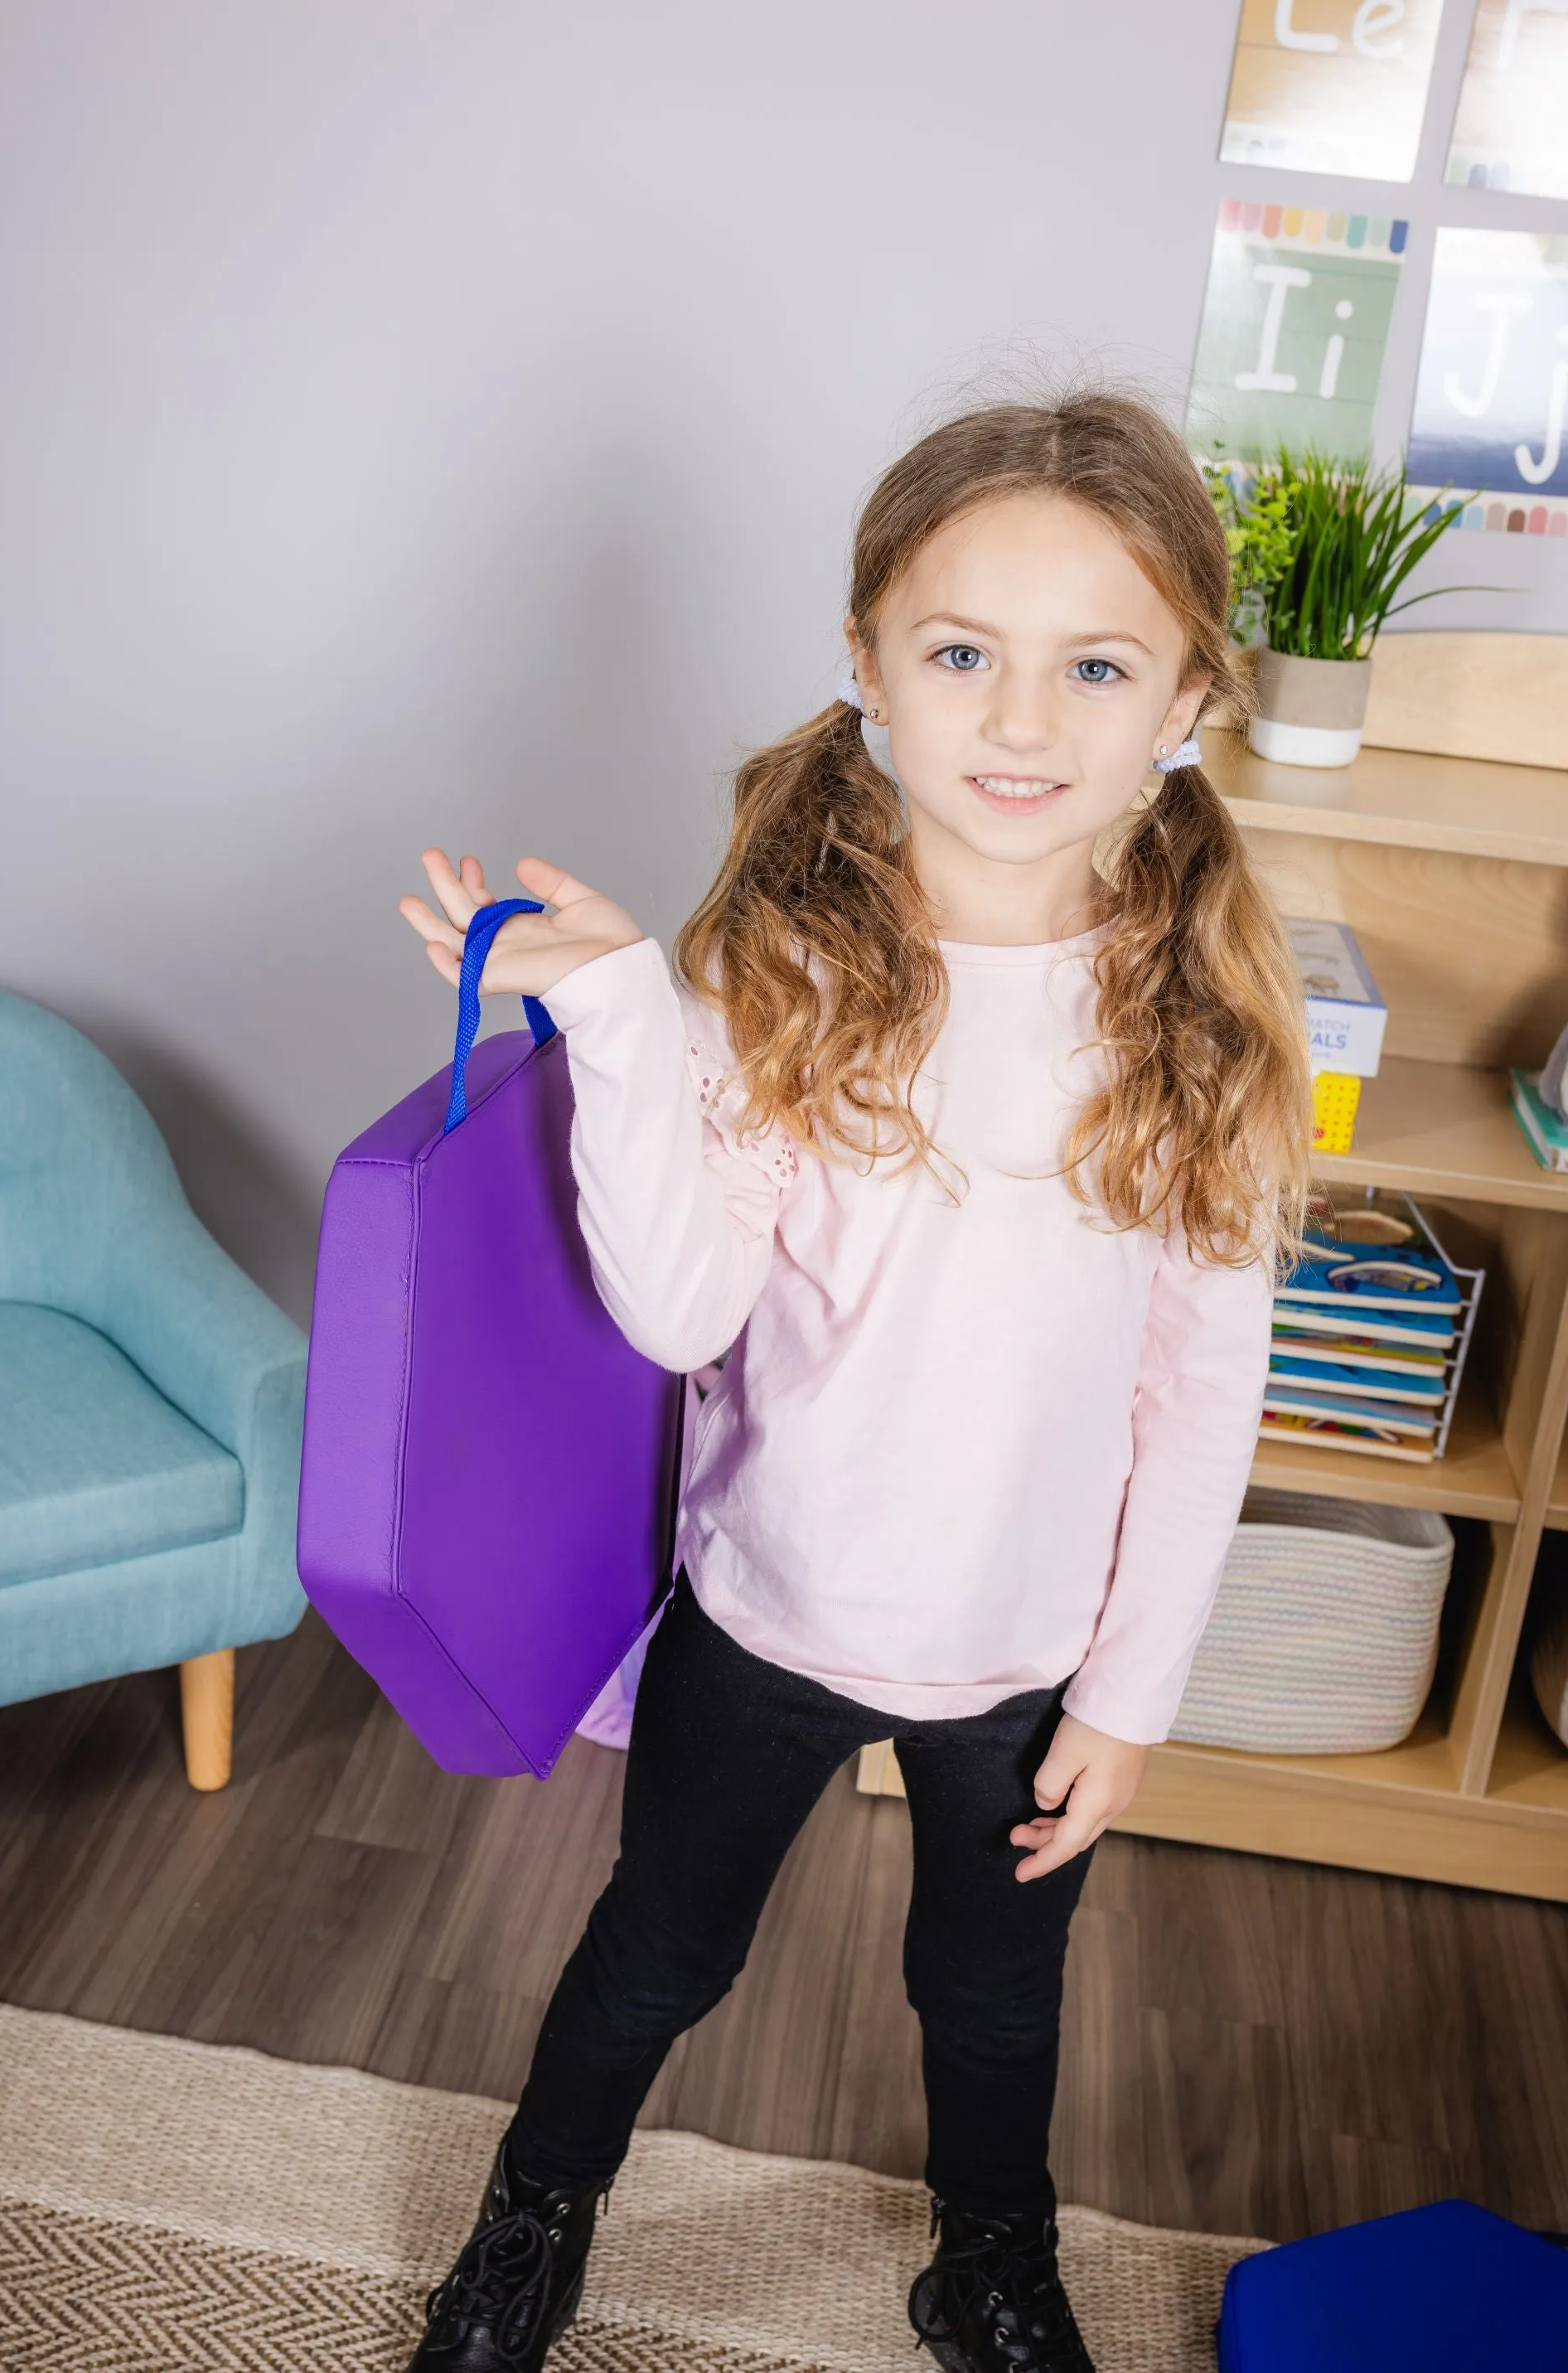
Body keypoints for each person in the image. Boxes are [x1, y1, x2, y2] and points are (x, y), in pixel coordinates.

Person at [394, 390, 1312, 2373]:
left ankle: (990, 2260)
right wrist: (631, 1015)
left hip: (1025, 1657)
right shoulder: (777, 978)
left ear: (1181, 706)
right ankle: (530, 2222)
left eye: (1095, 666)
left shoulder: (1211, 1033)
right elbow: (676, 1312)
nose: (1020, 718)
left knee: (991, 2007)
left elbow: (1198, 1399)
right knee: (654, 1956)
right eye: (962, 652)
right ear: (866, 666)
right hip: (770, 1609)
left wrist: (1135, 1699)